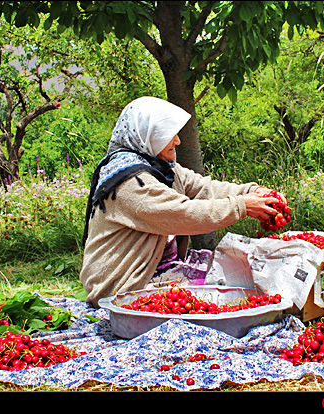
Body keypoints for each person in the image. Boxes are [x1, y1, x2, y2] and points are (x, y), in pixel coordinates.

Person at [80, 96, 286, 308]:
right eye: (169, 135)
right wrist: (241, 206)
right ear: (148, 135)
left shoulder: (163, 168)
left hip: (157, 273)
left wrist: (252, 191)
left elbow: (204, 188)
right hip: (122, 286)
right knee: (224, 298)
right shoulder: (130, 182)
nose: (177, 141)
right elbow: (183, 214)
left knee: (238, 280)